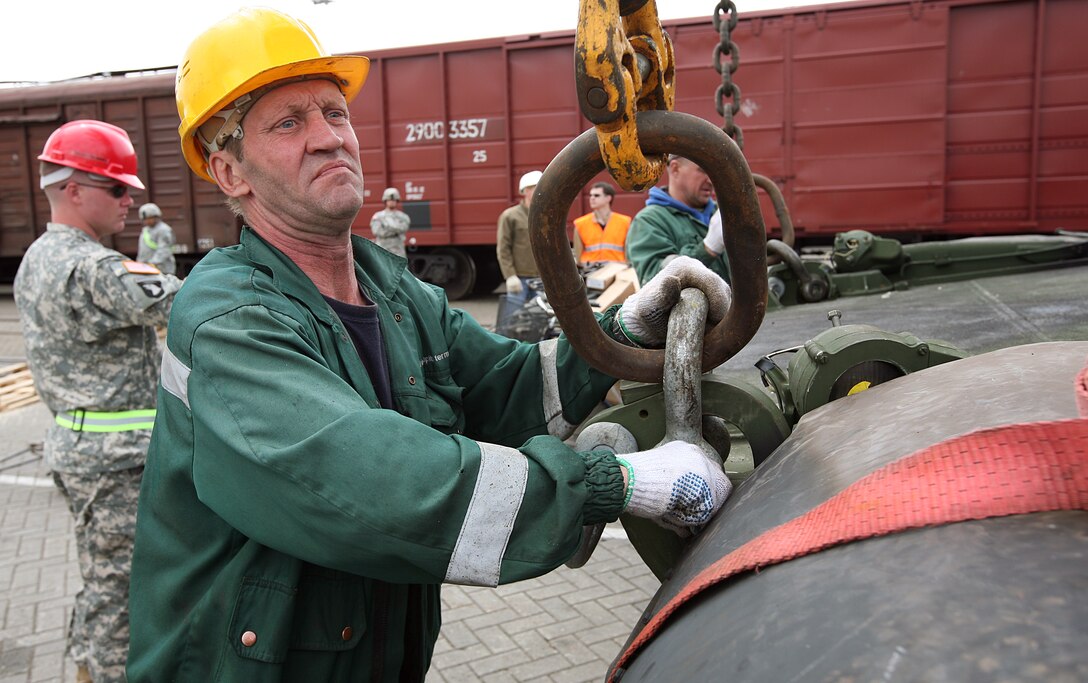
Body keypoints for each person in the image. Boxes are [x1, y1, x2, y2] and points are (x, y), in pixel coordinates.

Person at [126, 8, 733, 681]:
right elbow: (375, 484)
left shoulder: (391, 288)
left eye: (336, 112)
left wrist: (624, 332)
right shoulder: (227, 318)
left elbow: (507, 390)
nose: (331, 138)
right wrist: (612, 485)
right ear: (230, 171)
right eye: (289, 123)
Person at [13, 119, 182, 683]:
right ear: (73, 189)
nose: (130, 200)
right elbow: (186, 305)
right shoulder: (90, 267)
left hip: (82, 448)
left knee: (102, 575)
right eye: (118, 188)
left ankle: (86, 668)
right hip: (116, 460)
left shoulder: (38, 258)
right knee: (125, 587)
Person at [626, 155, 731, 286]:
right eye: (703, 170)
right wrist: (707, 249)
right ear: (675, 169)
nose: (711, 180)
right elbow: (655, 282)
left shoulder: (721, 212)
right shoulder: (649, 221)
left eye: (714, 171)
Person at [496, 169, 543, 306]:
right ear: (526, 191)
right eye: (536, 188)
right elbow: (503, 248)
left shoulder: (545, 215)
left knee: (541, 321)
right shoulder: (510, 216)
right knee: (513, 321)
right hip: (520, 278)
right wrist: (510, 276)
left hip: (541, 279)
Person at [573, 181, 631, 264]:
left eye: (596, 195)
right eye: (591, 195)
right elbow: (578, 256)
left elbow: (628, 253)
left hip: (617, 270)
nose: (592, 198)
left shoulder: (625, 222)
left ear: (608, 198)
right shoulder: (580, 224)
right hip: (589, 271)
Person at [135, 202, 178, 274]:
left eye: (150, 218)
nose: (147, 221)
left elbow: (164, 249)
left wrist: (152, 263)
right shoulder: (146, 230)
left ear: (156, 217)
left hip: (162, 270)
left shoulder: (164, 230)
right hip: (147, 269)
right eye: (145, 219)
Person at [370, 186, 410, 257]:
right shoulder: (378, 216)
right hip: (382, 248)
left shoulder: (403, 217)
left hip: (398, 249)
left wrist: (387, 226)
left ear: (397, 201)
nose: (392, 202)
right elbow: (377, 231)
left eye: (394, 200)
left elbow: (403, 228)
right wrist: (395, 230)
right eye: (389, 200)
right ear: (385, 201)